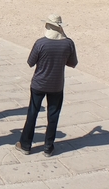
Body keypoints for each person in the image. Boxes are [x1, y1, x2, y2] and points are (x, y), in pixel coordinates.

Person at [16, 14, 78, 157]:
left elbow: (30, 62)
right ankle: (48, 147)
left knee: (32, 113)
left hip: (39, 83)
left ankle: (25, 145)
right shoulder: (68, 43)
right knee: (53, 115)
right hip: (57, 84)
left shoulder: (40, 43)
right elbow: (72, 63)